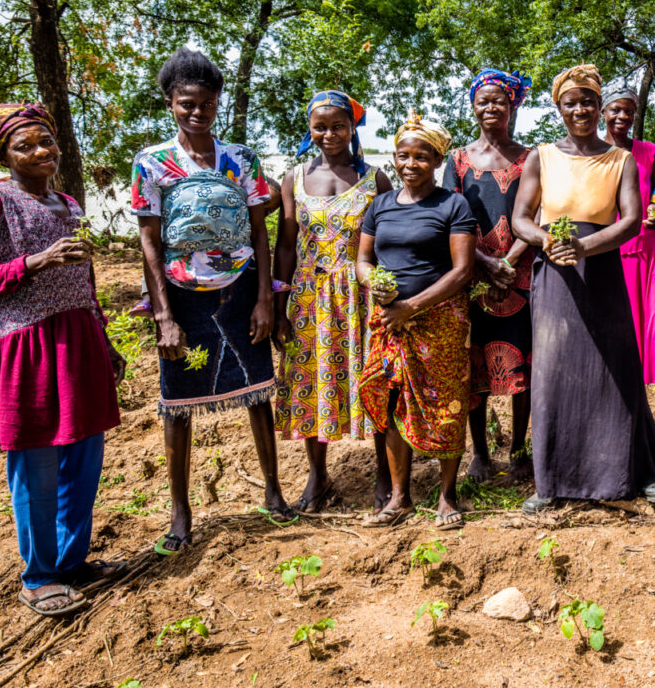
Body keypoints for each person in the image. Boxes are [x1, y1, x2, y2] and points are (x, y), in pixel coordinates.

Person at [0, 103, 124, 616]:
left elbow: (83, 278)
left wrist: (105, 337)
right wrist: (33, 261)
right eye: (24, 145)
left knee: (84, 457)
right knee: (37, 461)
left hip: (79, 339)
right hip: (24, 344)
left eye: (45, 141)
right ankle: (39, 576)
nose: (40, 151)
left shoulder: (67, 203)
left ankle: (72, 561)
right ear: (3, 154)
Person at [131, 49, 291, 555]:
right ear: (169, 102)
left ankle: (273, 491)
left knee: (258, 390)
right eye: (186, 103)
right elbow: (150, 242)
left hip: (241, 287)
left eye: (207, 102)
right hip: (181, 293)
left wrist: (265, 298)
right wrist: (163, 316)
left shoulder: (241, 159)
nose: (197, 111)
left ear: (218, 101)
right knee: (177, 401)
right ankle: (180, 514)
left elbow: (261, 234)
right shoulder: (152, 163)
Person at [510, 65, 655, 512]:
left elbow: (630, 221)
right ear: (558, 108)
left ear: (599, 108)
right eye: (571, 103)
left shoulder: (619, 159)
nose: (580, 109)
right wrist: (547, 241)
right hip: (556, 273)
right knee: (555, 369)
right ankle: (552, 481)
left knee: (616, 365)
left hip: (601, 270)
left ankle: (638, 473)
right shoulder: (541, 156)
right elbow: (521, 218)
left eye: (587, 102)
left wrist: (582, 246)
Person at [273, 90, 391, 512]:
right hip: (309, 296)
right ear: (310, 129)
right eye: (319, 127)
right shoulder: (294, 177)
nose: (329, 134)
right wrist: (277, 305)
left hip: (361, 295)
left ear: (352, 127)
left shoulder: (375, 178)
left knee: (373, 380)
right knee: (309, 380)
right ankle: (317, 474)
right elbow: (286, 245)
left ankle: (384, 471)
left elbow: (389, 241)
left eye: (338, 125)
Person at [356, 115, 476, 527]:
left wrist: (414, 306)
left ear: (437, 160)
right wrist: (378, 288)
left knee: (446, 403)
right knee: (389, 402)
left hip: (439, 321)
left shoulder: (452, 204)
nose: (411, 164)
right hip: (389, 322)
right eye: (403, 156)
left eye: (421, 157)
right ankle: (399, 497)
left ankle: (447, 496)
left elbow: (461, 272)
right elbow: (363, 260)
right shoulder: (381, 205)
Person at [445, 69, 535, 482]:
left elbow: (539, 216)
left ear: (513, 105)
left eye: (500, 100)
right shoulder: (458, 159)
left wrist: (509, 262)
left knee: (525, 365)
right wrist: (484, 263)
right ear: (473, 107)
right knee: (474, 365)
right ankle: (479, 453)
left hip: (521, 274)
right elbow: (450, 218)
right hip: (473, 275)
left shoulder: (531, 157)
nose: (491, 107)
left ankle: (519, 451)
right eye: (483, 101)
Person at [602, 82, 655, 393]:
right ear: (603, 113)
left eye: (629, 111)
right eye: (616, 109)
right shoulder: (593, 155)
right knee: (626, 336)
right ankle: (633, 414)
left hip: (650, 251)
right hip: (612, 254)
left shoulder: (649, 152)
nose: (622, 116)